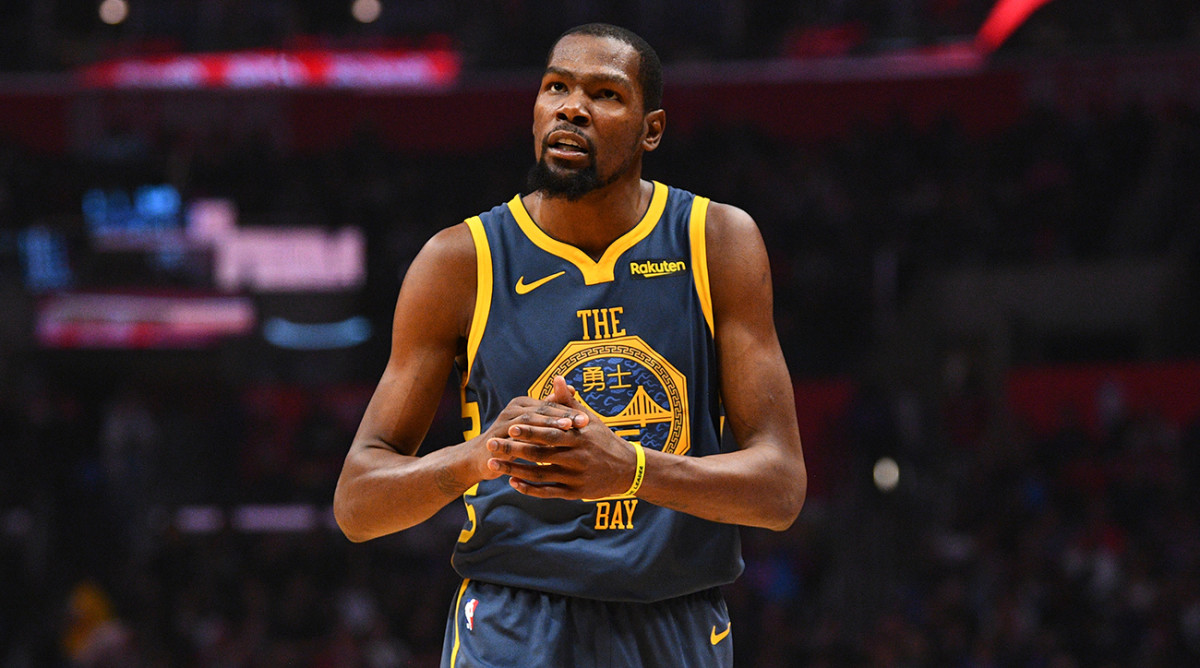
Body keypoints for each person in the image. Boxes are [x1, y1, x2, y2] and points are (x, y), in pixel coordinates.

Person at [334, 22, 806, 667]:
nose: (572, 108)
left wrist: (631, 470)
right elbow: (357, 503)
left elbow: (780, 489)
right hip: (512, 622)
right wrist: (478, 457)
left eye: (605, 94)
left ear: (652, 130)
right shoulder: (459, 261)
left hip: (673, 619)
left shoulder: (716, 241)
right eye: (556, 87)